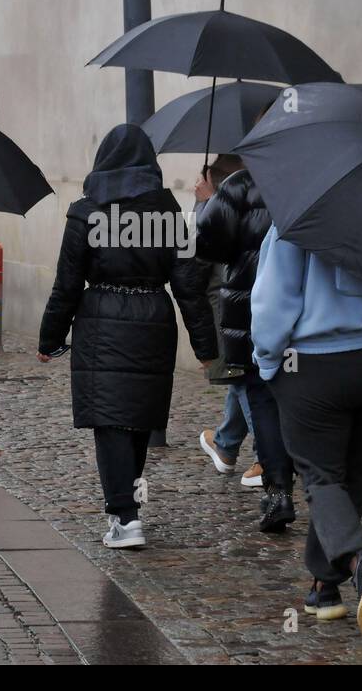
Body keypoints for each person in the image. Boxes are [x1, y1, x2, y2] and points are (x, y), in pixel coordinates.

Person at [37, 124, 218, 550]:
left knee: (111, 419)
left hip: (102, 317)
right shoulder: (167, 212)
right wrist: (207, 348)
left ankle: (125, 516)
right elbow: (189, 285)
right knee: (138, 415)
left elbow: (66, 284)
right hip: (154, 317)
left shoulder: (86, 211)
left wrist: (50, 338)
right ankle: (127, 511)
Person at [251, 223, 362, 634]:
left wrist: (267, 362)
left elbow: (272, 300)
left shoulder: (298, 217)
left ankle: (358, 561)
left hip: (314, 361)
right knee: (352, 477)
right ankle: (324, 588)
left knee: (321, 477)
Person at [196, 166, 296, 532]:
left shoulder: (241, 183)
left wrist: (207, 204)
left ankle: (276, 484)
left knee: (258, 391)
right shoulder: (322, 177)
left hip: (252, 306)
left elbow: (209, 245)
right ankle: (228, 444)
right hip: (304, 311)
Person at [192, 154, 266, 489]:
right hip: (254, 301)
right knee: (242, 374)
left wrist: (207, 205)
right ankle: (226, 444)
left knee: (243, 376)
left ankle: (267, 457)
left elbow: (204, 250)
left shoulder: (234, 196)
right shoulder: (263, 187)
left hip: (236, 303)